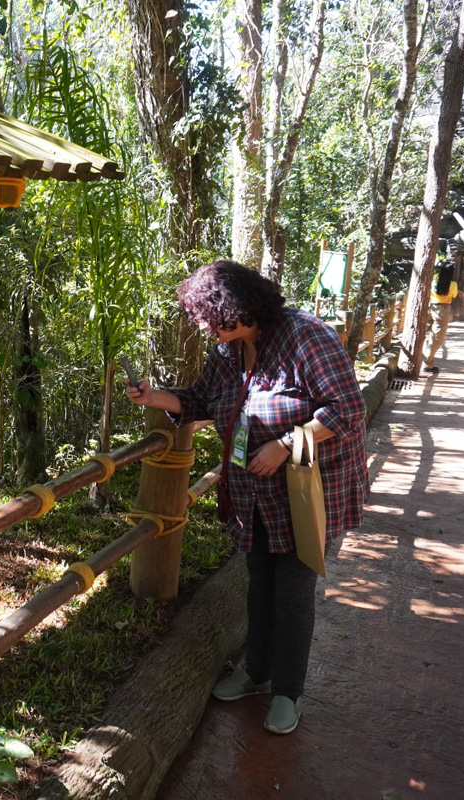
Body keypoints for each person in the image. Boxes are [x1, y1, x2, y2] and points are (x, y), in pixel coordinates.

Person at [125, 260, 368, 735]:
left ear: (235, 309)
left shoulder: (305, 336)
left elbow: (347, 408)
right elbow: (196, 401)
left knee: (294, 589)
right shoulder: (228, 351)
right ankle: (257, 672)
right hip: (254, 492)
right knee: (259, 580)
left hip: (306, 487)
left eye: (205, 315)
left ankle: (287, 692)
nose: (200, 325)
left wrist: (285, 444)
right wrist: (153, 398)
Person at [423, 260, 458, 372]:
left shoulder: (433, 280)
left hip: (430, 307)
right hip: (443, 310)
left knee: (426, 333)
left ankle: (423, 357)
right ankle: (428, 362)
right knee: (437, 337)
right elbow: (454, 294)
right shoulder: (452, 284)